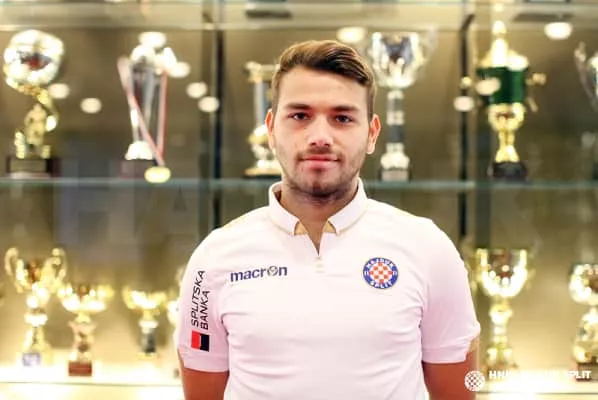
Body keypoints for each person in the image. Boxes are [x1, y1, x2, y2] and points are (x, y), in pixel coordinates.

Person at [176, 39, 481, 400]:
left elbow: (460, 392)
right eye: (300, 116)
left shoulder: (428, 248)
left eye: (342, 118)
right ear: (271, 128)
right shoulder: (214, 257)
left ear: (372, 133)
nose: (320, 137)